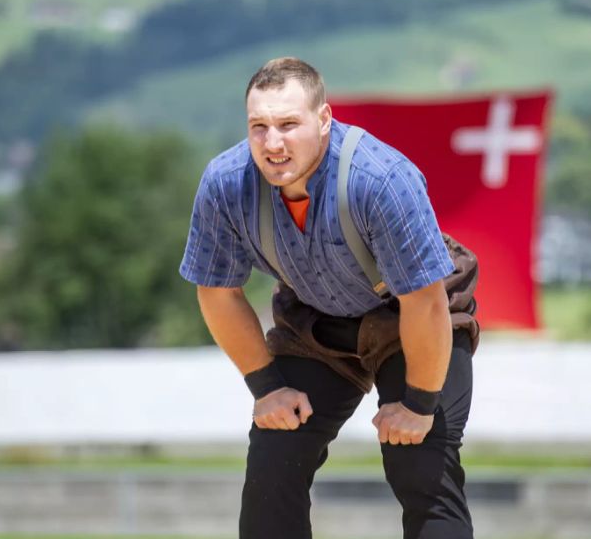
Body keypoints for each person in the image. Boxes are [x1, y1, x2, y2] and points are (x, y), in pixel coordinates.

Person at [179, 57, 476, 539]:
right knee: (274, 458)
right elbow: (216, 290)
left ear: (323, 119)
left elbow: (425, 302)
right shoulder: (226, 184)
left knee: (420, 464)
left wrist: (420, 405)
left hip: (412, 316)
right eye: (259, 126)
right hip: (315, 319)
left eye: (288, 124)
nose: (273, 143)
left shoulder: (379, 179)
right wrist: (267, 386)